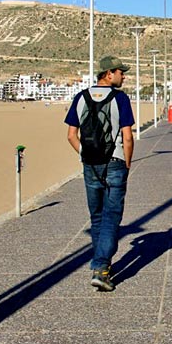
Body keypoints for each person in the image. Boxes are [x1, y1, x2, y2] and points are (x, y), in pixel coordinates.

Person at [65, 56, 135, 292]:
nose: (123, 76)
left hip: (90, 164)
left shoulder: (80, 97)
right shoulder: (120, 99)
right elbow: (127, 136)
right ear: (108, 74)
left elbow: (71, 135)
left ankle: (100, 265)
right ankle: (102, 268)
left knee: (96, 216)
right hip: (114, 161)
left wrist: (84, 155)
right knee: (111, 216)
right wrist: (126, 163)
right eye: (120, 72)